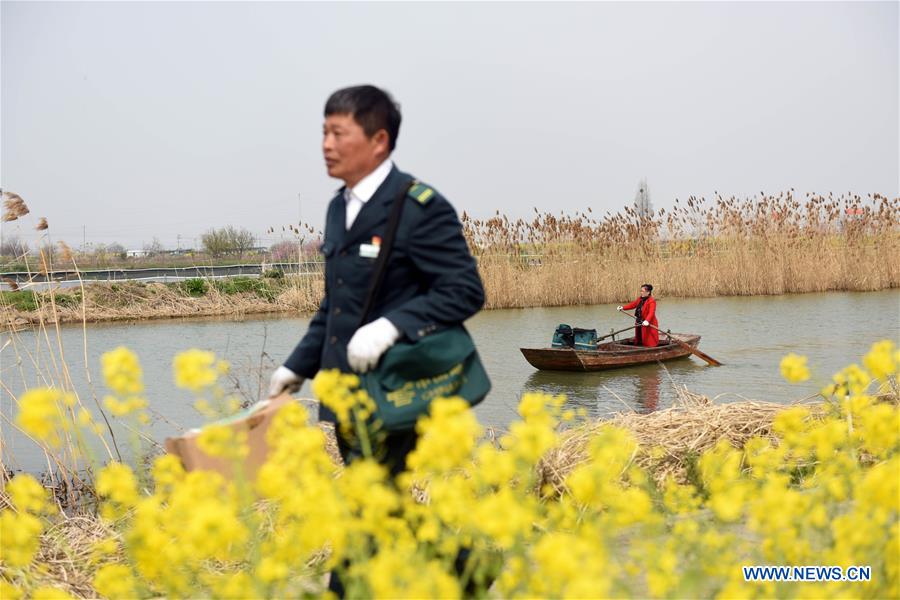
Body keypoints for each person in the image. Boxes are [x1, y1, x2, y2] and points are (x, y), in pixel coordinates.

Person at [268, 84, 485, 470]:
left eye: (339, 133)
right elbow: (337, 303)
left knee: (386, 503)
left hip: (398, 394)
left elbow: (465, 290)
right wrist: (297, 365)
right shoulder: (338, 208)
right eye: (324, 133)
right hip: (347, 397)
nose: (326, 145)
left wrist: (391, 326)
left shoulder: (418, 206)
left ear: (379, 140)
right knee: (366, 499)